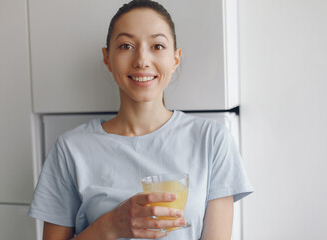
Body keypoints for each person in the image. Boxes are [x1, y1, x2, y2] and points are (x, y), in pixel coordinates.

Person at [28, 0, 253, 239]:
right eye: (126, 46)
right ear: (107, 58)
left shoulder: (212, 140)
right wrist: (111, 225)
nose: (142, 60)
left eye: (157, 46)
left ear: (175, 59)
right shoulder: (70, 149)